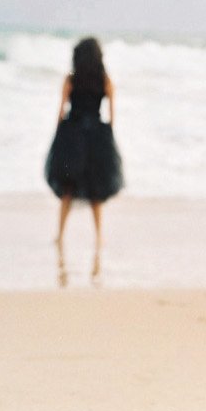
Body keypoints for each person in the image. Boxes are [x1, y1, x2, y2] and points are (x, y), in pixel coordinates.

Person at [45, 36, 124, 276]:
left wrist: (59, 137)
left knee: (68, 189)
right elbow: (112, 114)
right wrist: (107, 137)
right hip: (97, 137)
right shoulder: (104, 80)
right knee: (95, 192)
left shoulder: (71, 79)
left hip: (72, 136)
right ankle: (99, 237)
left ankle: (59, 235)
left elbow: (61, 111)